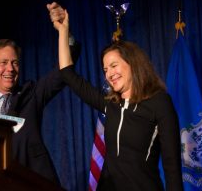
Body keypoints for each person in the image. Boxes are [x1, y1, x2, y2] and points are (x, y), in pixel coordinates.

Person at [53, 10, 183, 190]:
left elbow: (172, 166)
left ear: (133, 64)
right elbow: (67, 74)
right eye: (105, 70)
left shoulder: (160, 103)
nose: (109, 74)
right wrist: (63, 30)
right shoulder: (111, 105)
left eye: (114, 66)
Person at [0, 2, 80, 185]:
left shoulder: (30, 94)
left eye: (15, 62)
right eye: (3, 63)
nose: (10, 69)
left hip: (32, 182)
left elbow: (63, 71)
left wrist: (64, 31)